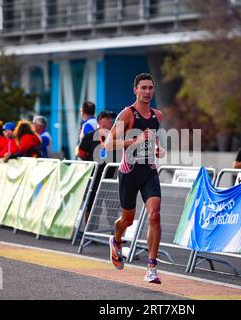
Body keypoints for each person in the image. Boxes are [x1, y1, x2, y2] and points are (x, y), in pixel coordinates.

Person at [105, 73, 165, 284]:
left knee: (154, 215)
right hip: (129, 174)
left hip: (149, 172)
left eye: (150, 88)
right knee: (127, 220)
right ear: (135, 90)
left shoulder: (157, 115)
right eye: (143, 88)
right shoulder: (127, 114)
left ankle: (151, 267)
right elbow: (107, 145)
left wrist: (157, 148)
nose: (147, 92)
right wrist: (135, 140)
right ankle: (117, 239)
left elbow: (153, 139)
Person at [76, 110, 117, 223]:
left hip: (111, 179)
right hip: (94, 178)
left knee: (113, 209)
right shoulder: (89, 137)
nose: (110, 120)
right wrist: (92, 162)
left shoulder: (116, 137)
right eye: (107, 118)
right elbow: (80, 153)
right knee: (92, 206)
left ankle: (115, 237)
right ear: (99, 120)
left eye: (111, 118)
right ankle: (89, 233)